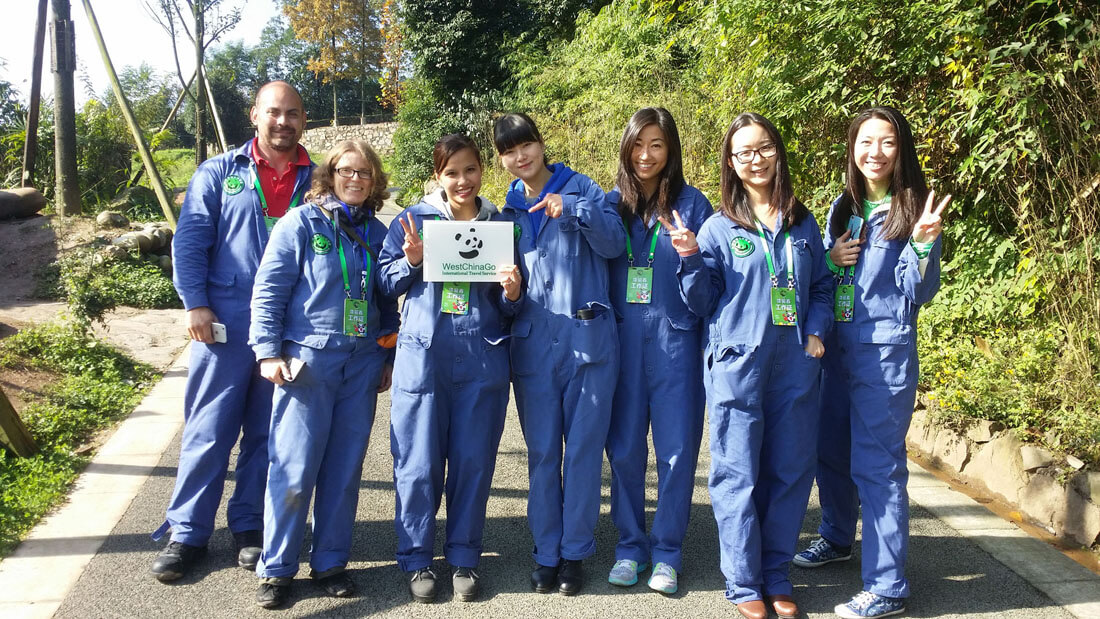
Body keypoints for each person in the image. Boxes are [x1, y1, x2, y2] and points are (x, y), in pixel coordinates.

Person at [666, 113, 832, 619]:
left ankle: (776, 575)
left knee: (788, 471)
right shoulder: (718, 228)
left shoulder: (803, 223)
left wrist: (817, 332)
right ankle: (743, 584)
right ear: (731, 164)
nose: (754, 160)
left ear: (777, 153)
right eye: (743, 153)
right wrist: (691, 257)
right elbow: (699, 302)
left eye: (763, 149)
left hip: (795, 366)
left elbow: (821, 286)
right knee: (738, 475)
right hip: (738, 365)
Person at [793, 106, 950, 619]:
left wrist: (923, 244)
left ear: (900, 149)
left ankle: (888, 586)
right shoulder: (846, 204)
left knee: (877, 469)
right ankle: (838, 536)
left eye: (886, 142)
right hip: (835, 349)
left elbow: (916, 290)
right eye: (865, 142)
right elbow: (825, 272)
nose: (875, 152)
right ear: (852, 149)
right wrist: (828, 254)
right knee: (830, 450)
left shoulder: (914, 210)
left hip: (883, 355)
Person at [152, 81, 312, 581]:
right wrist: (195, 304)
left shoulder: (319, 179)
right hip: (223, 322)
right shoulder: (220, 173)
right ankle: (187, 533)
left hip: (287, 326)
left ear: (303, 120)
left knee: (268, 433)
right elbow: (191, 242)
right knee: (209, 428)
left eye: (292, 114)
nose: (282, 122)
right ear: (254, 116)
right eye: (273, 112)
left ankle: (249, 527)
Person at [248, 139, 398, 609]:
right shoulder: (302, 222)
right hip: (307, 363)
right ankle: (276, 569)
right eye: (346, 171)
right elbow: (269, 289)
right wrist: (267, 352)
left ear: (375, 183)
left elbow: (387, 301)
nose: (355, 179)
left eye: (364, 173)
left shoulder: (378, 232)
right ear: (330, 175)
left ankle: (331, 561)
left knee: (344, 468)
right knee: (293, 468)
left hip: (362, 362)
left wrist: (387, 354)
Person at [379, 134, 523, 603]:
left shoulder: (500, 224)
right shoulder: (413, 220)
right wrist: (411, 260)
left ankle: (464, 556)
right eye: (452, 172)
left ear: (483, 171)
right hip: (424, 357)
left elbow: (511, 306)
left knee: (472, 462)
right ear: (438, 177)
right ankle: (417, 557)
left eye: (470, 170)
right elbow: (383, 281)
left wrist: (512, 291)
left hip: (482, 356)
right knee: (418, 463)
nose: (463, 180)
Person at [493, 112, 626, 596]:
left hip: (588, 347)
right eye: (508, 150)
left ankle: (575, 553)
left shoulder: (584, 189)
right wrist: (509, 294)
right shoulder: (502, 214)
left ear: (541, 144)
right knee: (544, 455)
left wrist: (570, 209)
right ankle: (546, 552)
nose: (519, 156)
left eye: (525, 144)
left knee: (585, 454)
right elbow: (503, 297)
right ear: (501, 158)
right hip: (532, 349)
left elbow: (614, 244)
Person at [604, 107, 711, 595]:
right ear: (626, 148)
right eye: (638, 145)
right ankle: (630, 545)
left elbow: (710, 286)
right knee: (624, 449)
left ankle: (667, 551)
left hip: (676, 344)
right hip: (622, 343)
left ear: (671, 152)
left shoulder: (694, 206)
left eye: (657, 146)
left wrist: (690, 254)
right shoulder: (611, 205)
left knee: (676, 452)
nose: (646, 155)